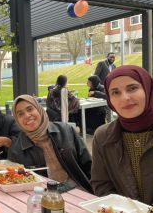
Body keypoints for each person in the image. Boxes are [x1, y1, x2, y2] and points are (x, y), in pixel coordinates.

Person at [91, 65, 153, 205]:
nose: (125, 97)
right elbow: (102, 185)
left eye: (132, 88)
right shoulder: (102, 137)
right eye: (115, 92)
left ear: (148, 89)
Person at [10, 94, 92, 193]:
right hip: (43, 197)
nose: (27, 115)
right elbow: (17, 183)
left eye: (30, 109)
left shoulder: (66, 130)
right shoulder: (16, 150)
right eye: (20, 114)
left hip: (79, 190)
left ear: (39, 109)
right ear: (17, 120)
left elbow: (89, 165)